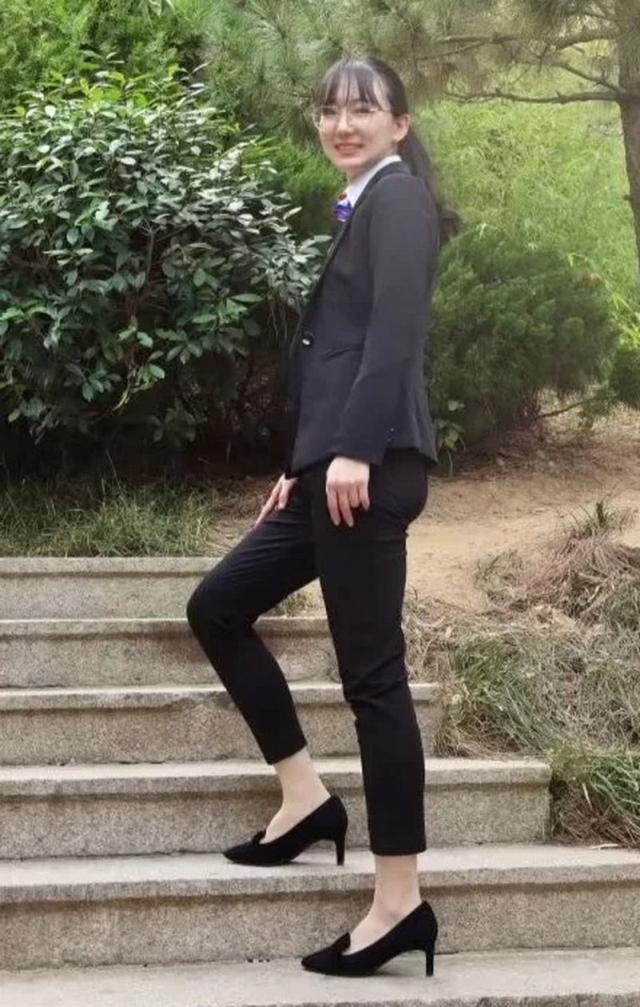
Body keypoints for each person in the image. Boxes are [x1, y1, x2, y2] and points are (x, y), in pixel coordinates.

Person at [186, 54, 458, 979]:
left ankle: (400, 901)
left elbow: (394, 334)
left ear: (399, 124)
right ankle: (305, 798)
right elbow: (337, 350)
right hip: (330, 471)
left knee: (374, 681)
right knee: (218, 606)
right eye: (330, 110)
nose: (342, 124)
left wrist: (354, 450)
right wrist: (300, 464)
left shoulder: (399, 200)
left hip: (366, 472)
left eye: (363, 110)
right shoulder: (364, 202)